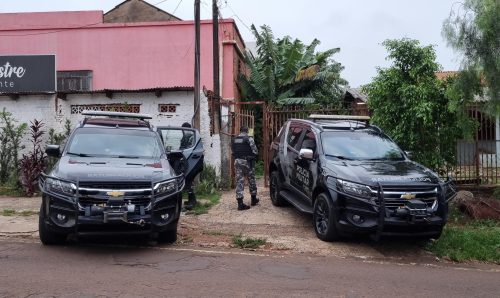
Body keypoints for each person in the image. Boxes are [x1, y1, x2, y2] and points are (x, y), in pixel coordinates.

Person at [231, 126, 259, 210]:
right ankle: (253, 199)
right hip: (247, 162)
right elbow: (255, 151)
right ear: (247, 131)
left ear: (240, 131)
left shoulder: (235, 139)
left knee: (239, 180)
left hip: (237, 161)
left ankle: (240, 203)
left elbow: (233, 151)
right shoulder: (249, 139)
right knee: (251, 179)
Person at [181, 122, 197, 210]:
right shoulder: (188, 137)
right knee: (188, 182)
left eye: (183, 129)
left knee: (189, 182)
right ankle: (191, 200)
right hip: (188, 161)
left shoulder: (190, 137)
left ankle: (192, 201)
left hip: (189, 162)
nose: (182, 131)